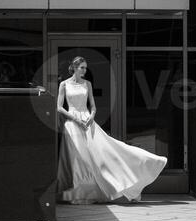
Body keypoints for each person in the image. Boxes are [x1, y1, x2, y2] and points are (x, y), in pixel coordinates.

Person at [56, 56, 167, 204]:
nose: (84, 70)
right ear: (74, 68)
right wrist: (75, 119)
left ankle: (142, 166)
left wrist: (91, 116)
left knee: (105, 151)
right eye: (82, 67)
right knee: (77, 158)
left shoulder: (87, 84)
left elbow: (93, 106)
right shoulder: (64, 84)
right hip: (72, 123)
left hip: (88, 121)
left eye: (85, 67)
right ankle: (79, 191)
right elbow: (59, 107)